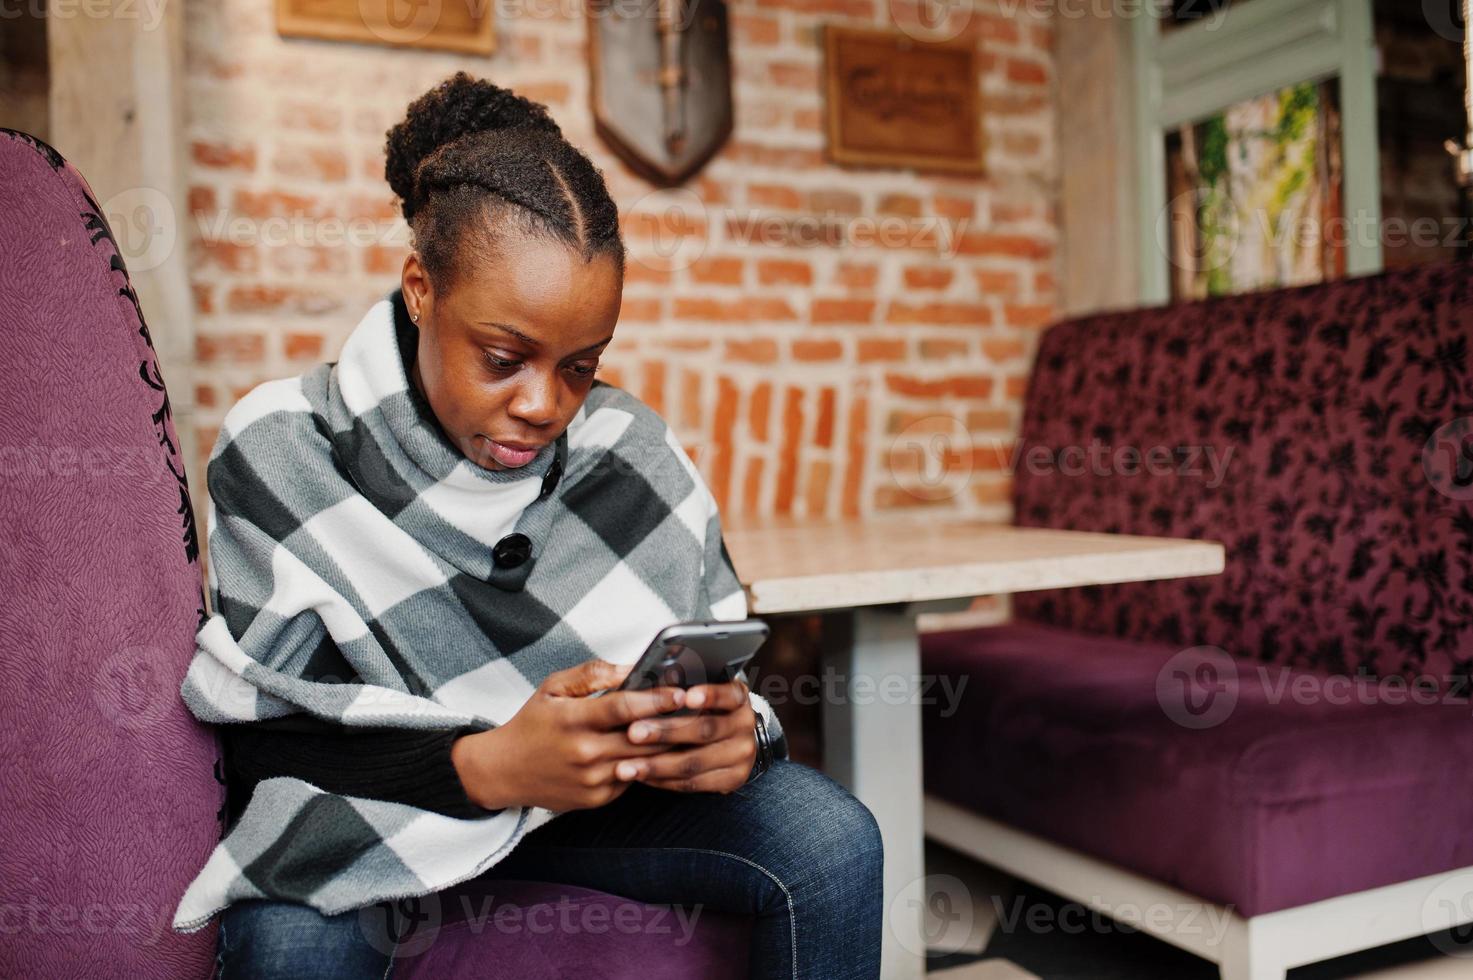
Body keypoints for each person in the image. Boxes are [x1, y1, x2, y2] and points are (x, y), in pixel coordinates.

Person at [189, 72, 884, 979]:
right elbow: (255, 748)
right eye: (504, 357)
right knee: (287, 950)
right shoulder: (286, 449)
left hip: (586, 809)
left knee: (832, 842)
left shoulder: (626, 444)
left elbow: (712, 657)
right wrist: (490, 765)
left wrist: (731, 735)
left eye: (581, 366)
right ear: (419, 288)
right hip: (377, 808)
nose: (543, 404)